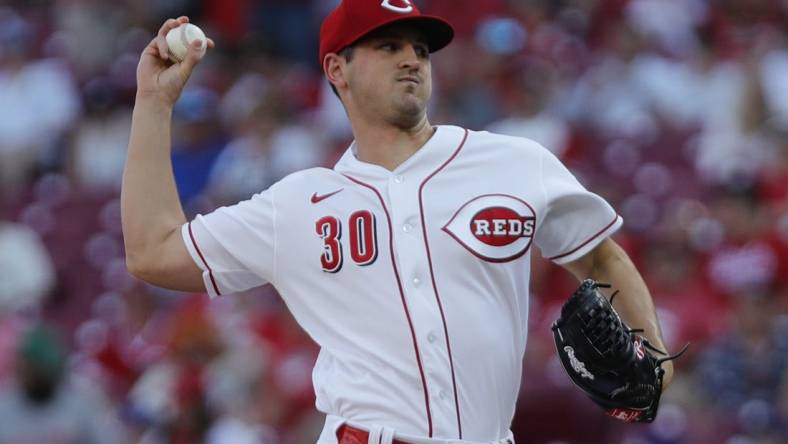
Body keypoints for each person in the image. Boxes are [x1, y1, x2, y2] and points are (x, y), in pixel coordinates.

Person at [121, 1, 674, 443]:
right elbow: (153, 251)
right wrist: (153, 104)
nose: (411, 58)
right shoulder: (297, 204)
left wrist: (655, 359)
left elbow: (599, 254)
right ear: (337, 69)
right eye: (388, 46)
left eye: (420, 48)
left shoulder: (514, 162)